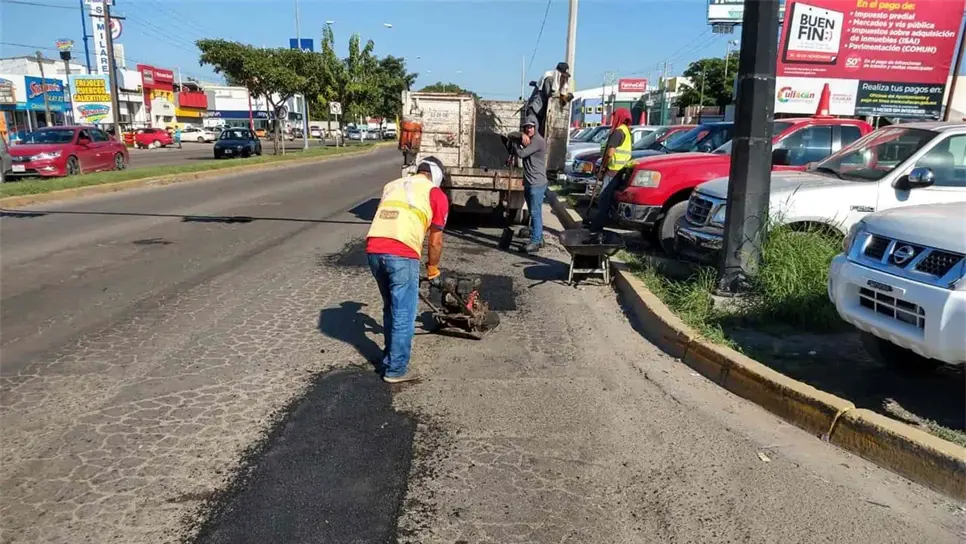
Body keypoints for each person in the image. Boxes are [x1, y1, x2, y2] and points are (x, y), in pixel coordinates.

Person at [366, 156, 449, 383]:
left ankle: (389, 357)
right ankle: (396, 369)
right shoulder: (435, 193)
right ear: (437, 176)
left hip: (374, 247)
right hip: (402, 250)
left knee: (391, 307)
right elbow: (435, 241)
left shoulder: (392, 185)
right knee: (404, 312)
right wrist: (433, 270)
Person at [589, 108, 633, 233]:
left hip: (613, 171)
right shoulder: (627, 131)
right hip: (621, 171)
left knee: (604, 198)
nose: (612, 118)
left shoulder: (618, 132)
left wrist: (603, 166)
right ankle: (602, 222)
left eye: (614, 116)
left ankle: (597, 227)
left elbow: (610, 152)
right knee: (609, 199)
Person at [515, 115, 548, 254]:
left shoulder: (537, 142)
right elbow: (511, 135)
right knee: (536, 212)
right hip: (530, 182)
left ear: (536, 127)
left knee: (534, 213)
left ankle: (535, 242)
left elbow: (521, 154)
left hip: (536, 183)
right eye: (526, 127)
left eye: (531, 127)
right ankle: (539, 238)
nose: (529, 129)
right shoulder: (530, 139)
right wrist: (520, 136)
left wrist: (516, 144)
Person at [524, 62, 573, 138]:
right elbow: (549, 95)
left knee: (539, 134)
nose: (563, 78)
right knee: (533, 134)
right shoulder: (549, 78)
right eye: (563, 76)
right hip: (535, 110)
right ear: (558, 74)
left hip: (541, 111)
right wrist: (564, 96)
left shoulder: (555, 81)